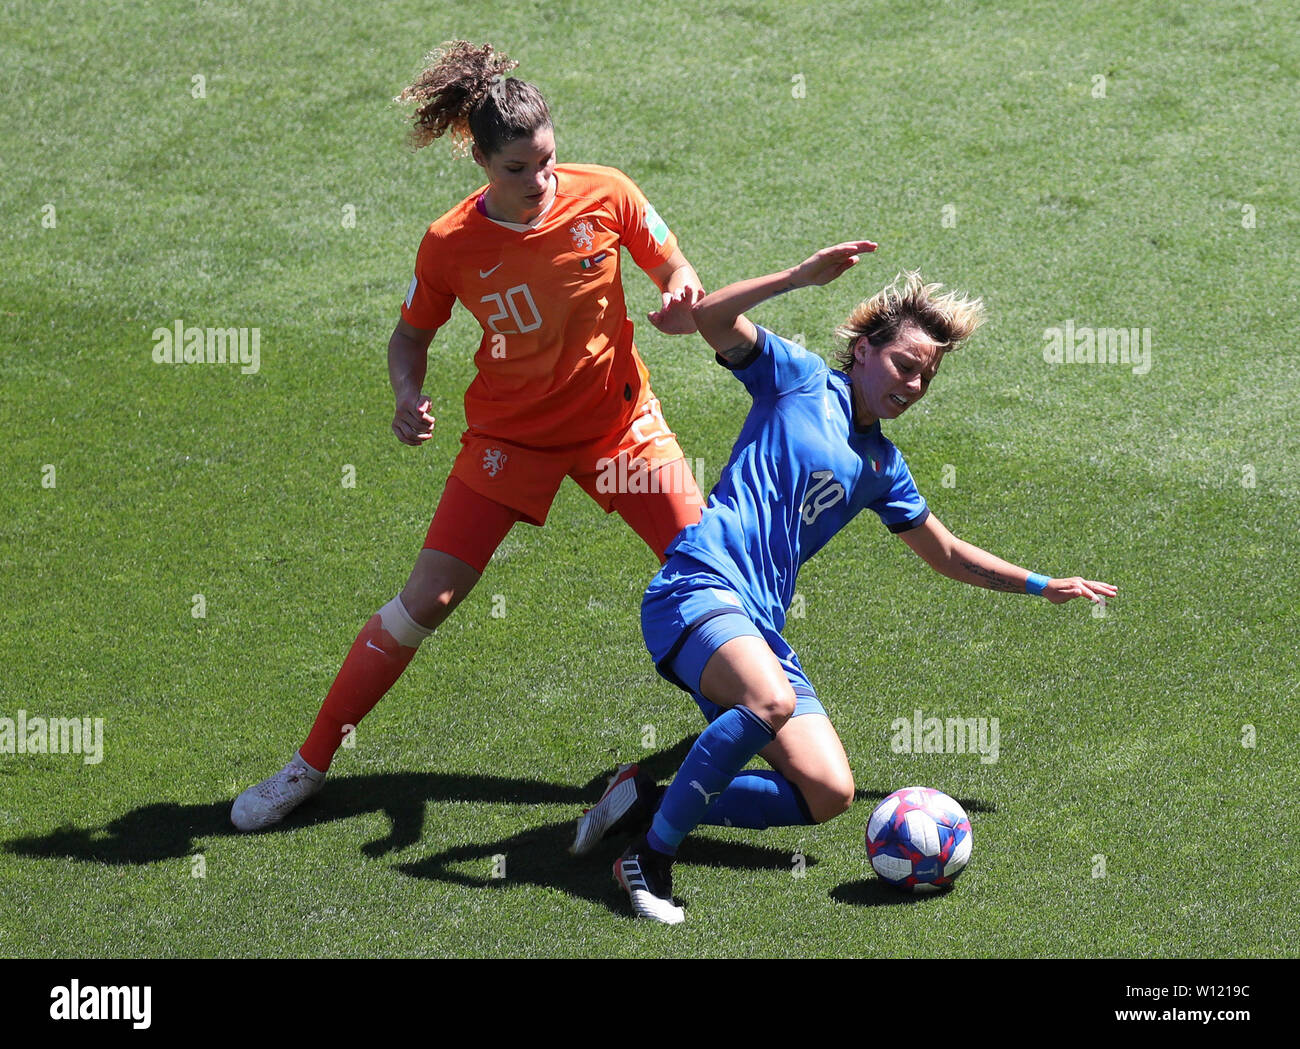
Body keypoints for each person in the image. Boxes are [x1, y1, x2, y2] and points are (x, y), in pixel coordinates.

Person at [231, 41, 706, 831]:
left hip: (617, 425)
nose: (540, 182)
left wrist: (682, 293)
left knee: (705, 572)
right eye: (517, 169)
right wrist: (406, 395)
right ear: (480, 160)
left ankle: (756, 723)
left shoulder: (608, 195)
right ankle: (307, 766)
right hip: (510, 438)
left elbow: (676, 268)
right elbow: (409, 338)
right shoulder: (451, 244)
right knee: (429, 599)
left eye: (547, 161)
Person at [571, 241, 1118, 923]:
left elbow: (945, 552)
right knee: (769, 702)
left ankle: (649, 798)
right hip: (698, 587)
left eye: (926, 378)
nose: (913, 385)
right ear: (862, 349)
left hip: (758, 625)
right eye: (904, 364)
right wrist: (798, 277)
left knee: (827, 791)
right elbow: (710, 317)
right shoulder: (796, 378)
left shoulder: (884, 466)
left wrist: (1045, 584)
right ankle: (648, 858)